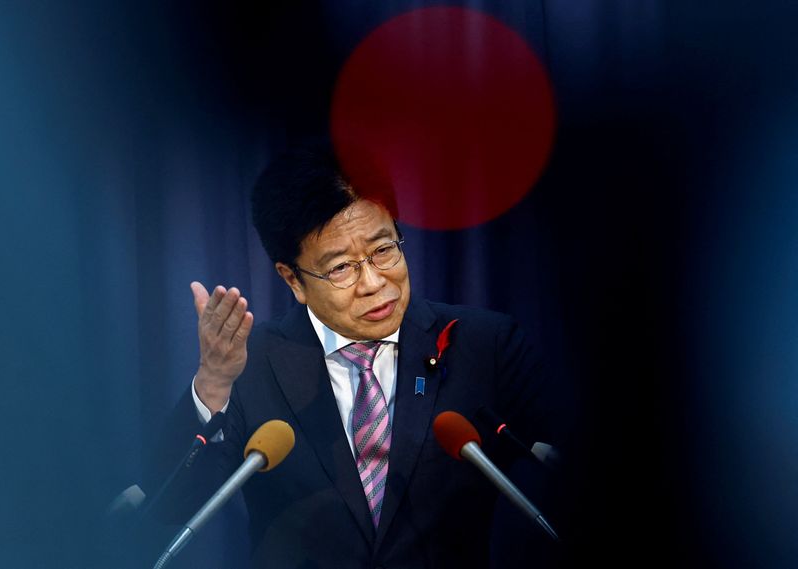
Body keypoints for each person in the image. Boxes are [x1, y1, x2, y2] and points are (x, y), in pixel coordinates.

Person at [154, 144, 562, 568]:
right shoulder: (251, 361)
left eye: (383, 250)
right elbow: (171, 508)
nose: (372, 282)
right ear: (292, 279)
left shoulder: (484, 344)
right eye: (341, 268)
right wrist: (214, 383)